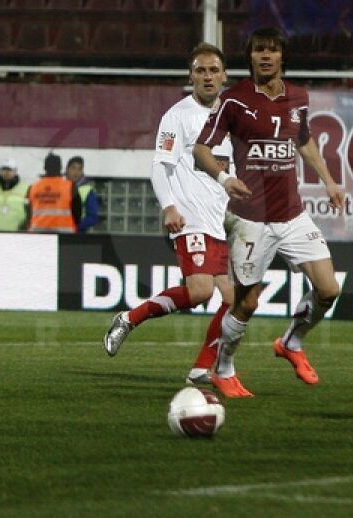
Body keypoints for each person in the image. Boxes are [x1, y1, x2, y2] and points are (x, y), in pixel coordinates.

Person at [192, 27, 345, 398]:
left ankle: (291, 341)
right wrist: (226, 177)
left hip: (292, 214)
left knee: (328, 288)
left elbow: (303, 140)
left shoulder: (298, 98)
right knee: (247, 302)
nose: (265, 56)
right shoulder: (233, 100)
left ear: (281, 57)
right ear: (250, 58)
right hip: (250, 218)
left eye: (272, 50)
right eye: (258, 50)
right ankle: (224, 369)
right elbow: (201, 150)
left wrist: (329, 180)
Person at [103, 43, 235, 386]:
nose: (207, 77)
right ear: (190, 76)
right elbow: (160, 167)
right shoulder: (177, 115)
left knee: (234, 300)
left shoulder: (232, 115)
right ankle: (130, 318)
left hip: (218, 221)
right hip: (189, 217)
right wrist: (169, 206)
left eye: (213, 70)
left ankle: (201, 368)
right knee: (203, 291)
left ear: (224, 76)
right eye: (200, 71)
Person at [26, 153, 81, 233]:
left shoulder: (33, 187)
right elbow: (77, 213)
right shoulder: (70, 187)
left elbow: (28, 212)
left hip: (37, 234)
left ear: (44, 167)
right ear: (61, 167)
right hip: (64, 235)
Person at [0, 158, 29, 231]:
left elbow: (29, 211)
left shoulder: (26, 188)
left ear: (15, 171)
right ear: (0, 171)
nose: (6, 172)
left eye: (9, 170)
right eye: (4, 169)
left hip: (16, 231)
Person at [65, 155, 101, 233]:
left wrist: (76, 226)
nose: (76, 172)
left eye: (79, 169)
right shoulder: (60, 188)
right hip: (59, 231)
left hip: (78, 234)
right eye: (73, 168)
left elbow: (93, 217)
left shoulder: (88, 190)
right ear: (67, 170)